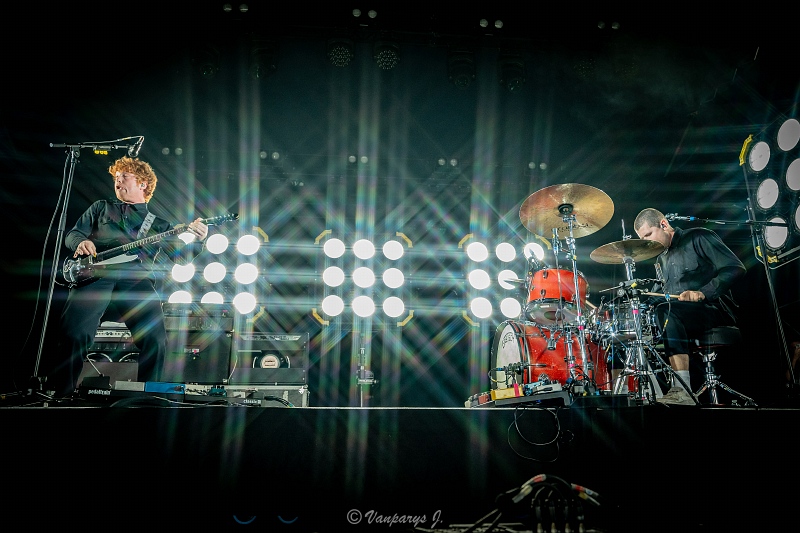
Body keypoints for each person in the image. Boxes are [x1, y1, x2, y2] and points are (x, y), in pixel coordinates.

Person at [54, 156, 208, 397]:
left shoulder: (159, 225)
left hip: (135, 280)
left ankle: (148, 397)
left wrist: (198, 240)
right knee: (75, 333)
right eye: (116, 177)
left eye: (124, 176)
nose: (118, 181)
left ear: (143, 184)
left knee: (155, 339)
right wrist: (81, 242)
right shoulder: (101, 207)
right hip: (95, 275)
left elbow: (179, 258)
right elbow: (73, 234)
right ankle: (62, 394)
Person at [634, 208, 746, 405]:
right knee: (639, 326)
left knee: (666, 312)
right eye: (643, 238)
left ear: (663, 224)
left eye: (649, 235)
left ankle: (682, 388)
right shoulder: (661, 260)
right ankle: (642, 394)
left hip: (714, 309)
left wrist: (703, 292)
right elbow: (659, 295)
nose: (647, 242)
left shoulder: (698, 237)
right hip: (681, 316)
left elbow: (735, 268)